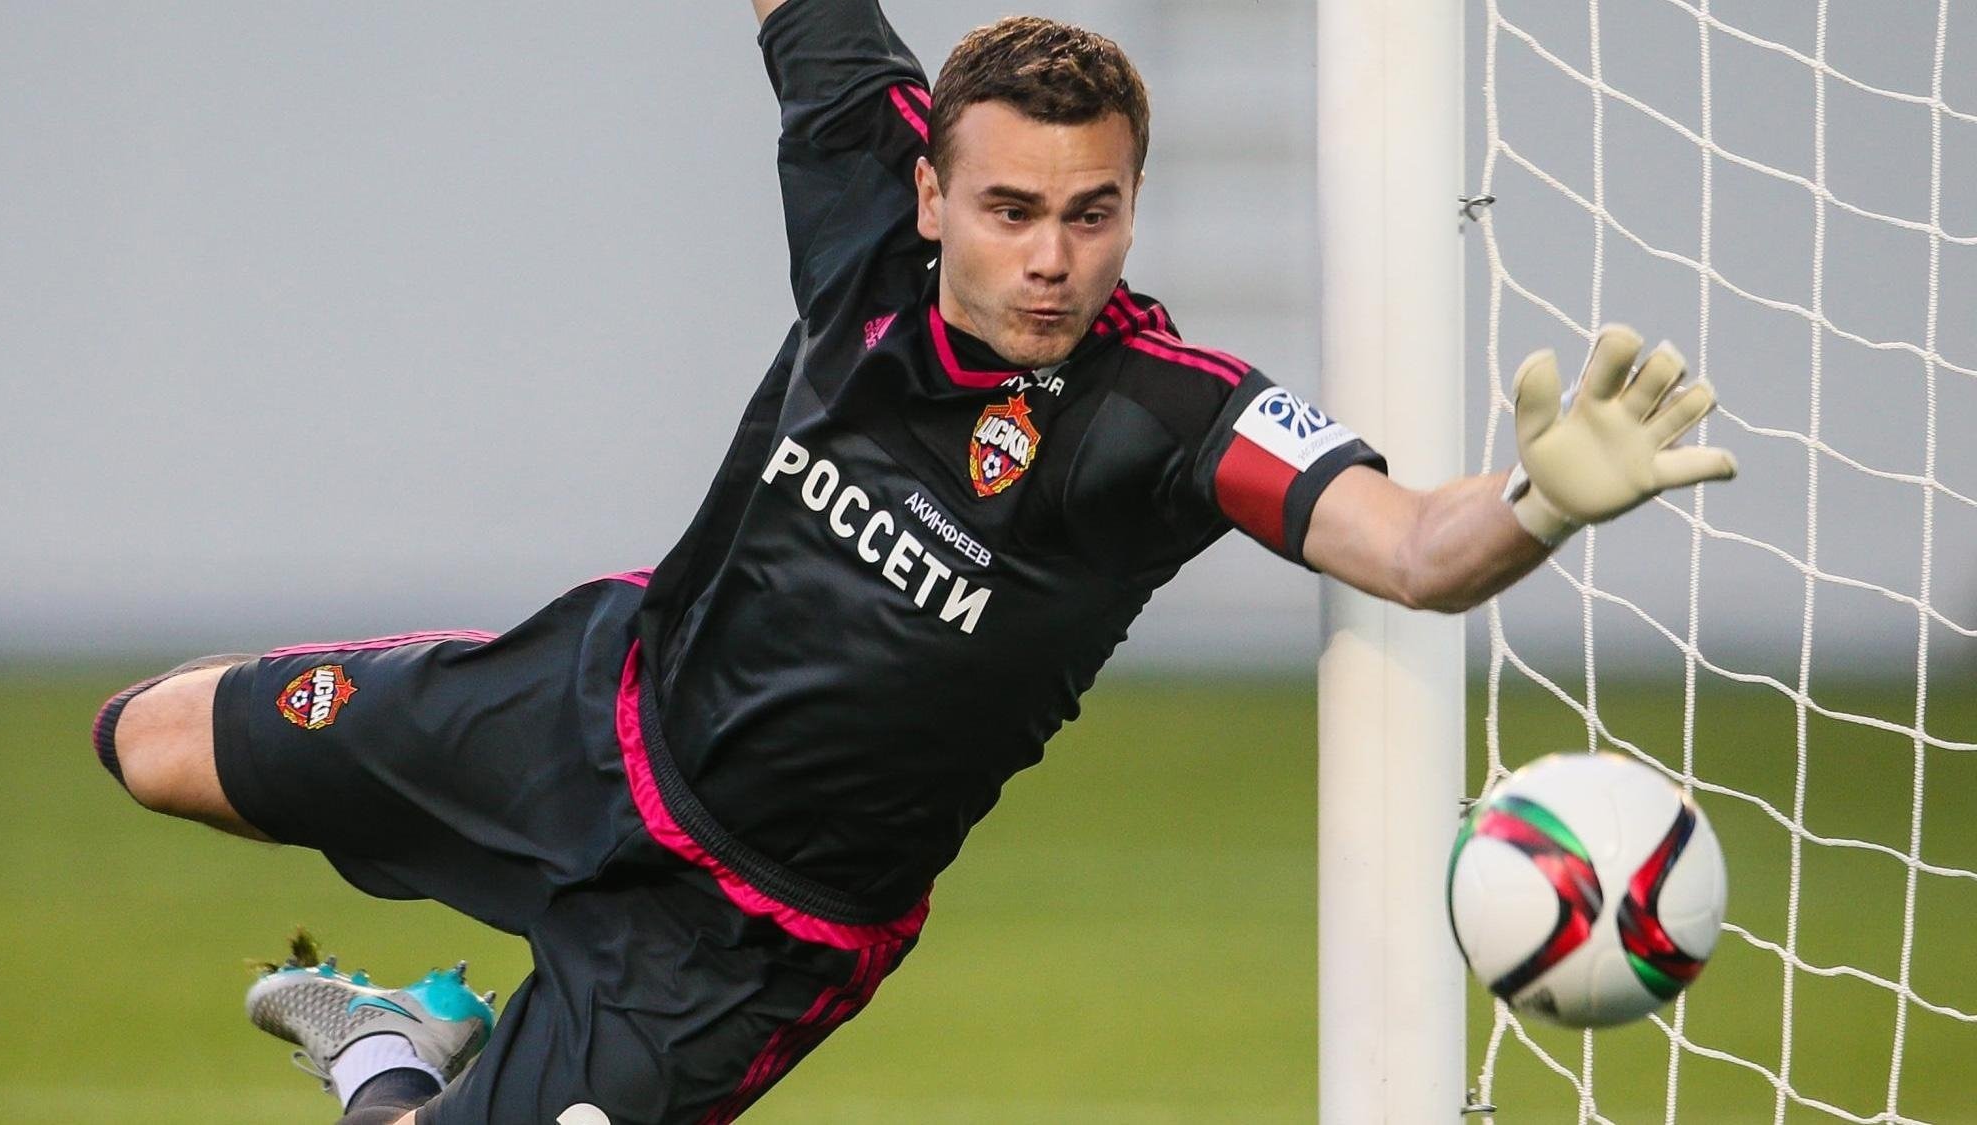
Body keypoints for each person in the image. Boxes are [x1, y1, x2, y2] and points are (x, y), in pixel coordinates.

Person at [90, 1, 1738, 1122]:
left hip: (749, 938)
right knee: (145, 741)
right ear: (930, 191)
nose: (1053, 257)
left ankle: (387, 1049)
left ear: (1133, 204)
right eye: (1011, 209)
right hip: (589, 716)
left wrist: (1537, 500)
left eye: (1092, 213)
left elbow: (1415, 546)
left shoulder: (1171, 416)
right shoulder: (863, 206)